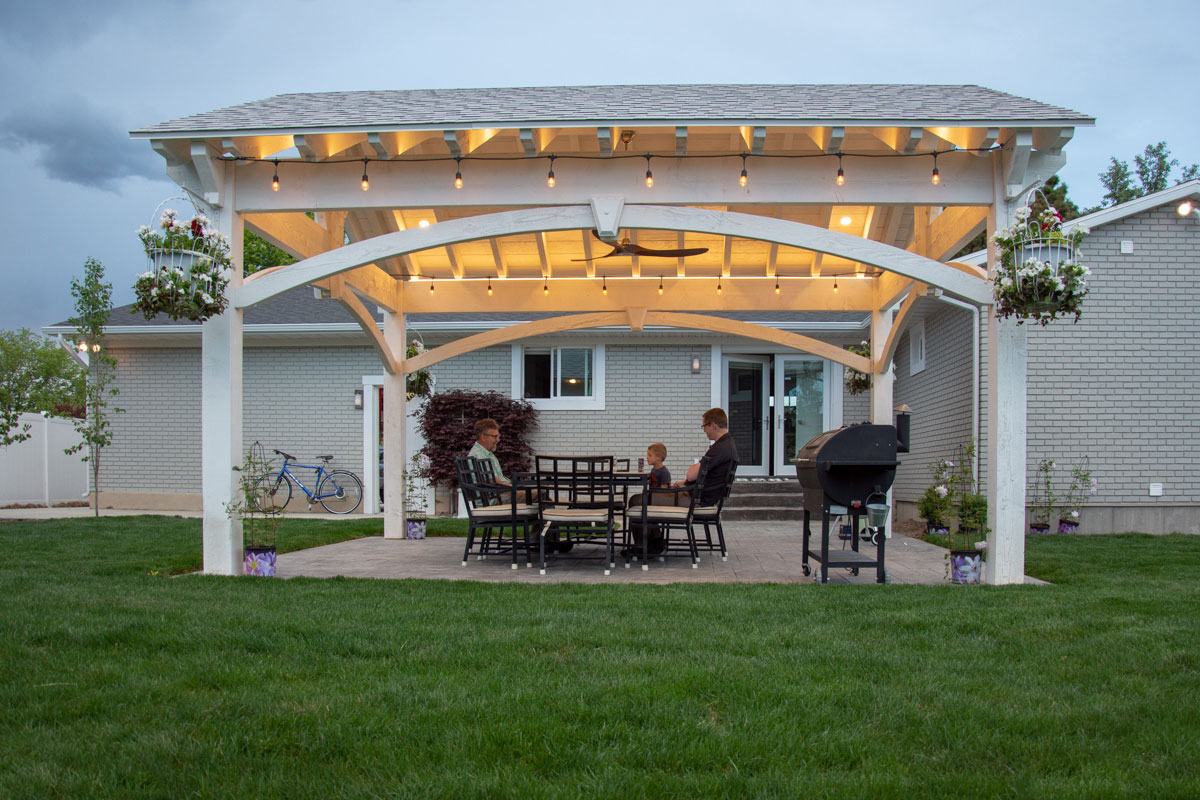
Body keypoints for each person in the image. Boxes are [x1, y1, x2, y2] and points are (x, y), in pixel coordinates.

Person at [673, 407, 738, 505]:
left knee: (652, 499)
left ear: (713, 425)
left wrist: (686, 481)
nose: (704, 430)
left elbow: (691, 476)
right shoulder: (727, 444)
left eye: (704, 426)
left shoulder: (720, 448)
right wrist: (683, 482)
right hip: (706, 497)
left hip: (698, 501)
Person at [623, 442, 673, 558]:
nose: (647, 457)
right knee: (636, 506)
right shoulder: (653, 471)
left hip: (657, 499)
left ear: (658, 457)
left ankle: (645, 543)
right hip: (651, 498)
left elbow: (664, 492)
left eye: (649, 455)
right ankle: (641, 542)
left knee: (635, 503)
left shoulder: (664, 472)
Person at [467, 418, 509, 488]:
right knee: (532, 494)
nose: (498, 440)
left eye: (498, 436)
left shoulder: (485, 453)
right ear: (483, 437)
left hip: (499, 492)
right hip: (496, 495)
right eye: (495, 436)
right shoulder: (479, 456)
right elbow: (493, 481)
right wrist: (513, 487)